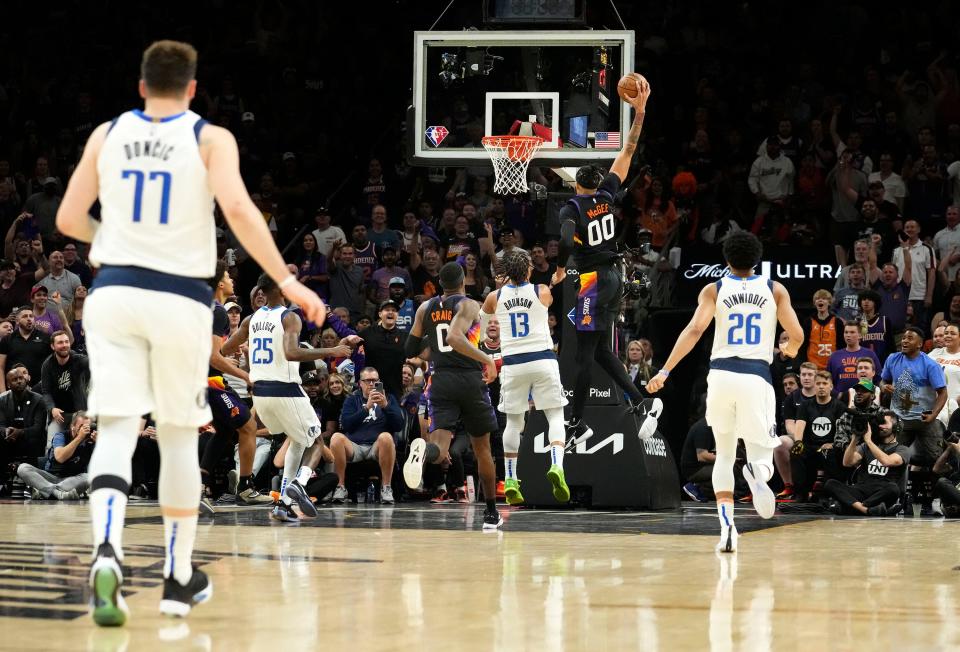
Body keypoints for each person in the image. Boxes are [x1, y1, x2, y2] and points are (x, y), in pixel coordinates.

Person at [55, 41, 326, 625]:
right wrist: (285, 278)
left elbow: (68, 218)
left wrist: (118, 240)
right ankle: (177, 578)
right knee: (180, 438)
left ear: (141, 86)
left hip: (115, 294)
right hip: (178, 298)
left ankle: (108, 551)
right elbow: (239, 207)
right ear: (194, 89)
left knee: (119, 431)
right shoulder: (209, 137)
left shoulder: (107, 134)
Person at [647, 231, 804, 553]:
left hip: (719, 377)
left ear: (727, 259)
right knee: (762, 454)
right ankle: (757, 473)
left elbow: (693, 330)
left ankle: (727, 529)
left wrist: (664, 371)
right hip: (756, 377)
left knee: (725, 453)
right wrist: (788, 351)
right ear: (757, 259)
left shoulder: (713, 289)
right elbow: (798, 335)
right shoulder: (774, 289)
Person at [556, 74, 662, 443]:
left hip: (591, 280)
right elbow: (628, 150)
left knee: (583, 355)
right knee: (601, 350)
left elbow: (566, 241)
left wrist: (558, 268)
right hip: (615, 277)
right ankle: (640, 401)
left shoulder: (572, 205)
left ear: (575, 184)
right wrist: (640, 113)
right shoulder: (606, 195)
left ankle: (576, 422)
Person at [222, 273, 349, 524]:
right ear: (281, 290)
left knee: (297, 439)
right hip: (285, 389)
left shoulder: (250, 319)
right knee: (315, 439)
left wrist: (247, 352)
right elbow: (291, 353)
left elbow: (225, 349)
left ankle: (284, 504)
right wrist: (332, 350)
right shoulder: (289, 316)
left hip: (259, 394)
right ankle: (300, 484)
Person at [401, 262, 503, 530]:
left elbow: (410, 347)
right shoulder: (469, 304)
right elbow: (456, 338)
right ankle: (491, 513)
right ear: (462, 282)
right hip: (470, 379)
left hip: (440, 380)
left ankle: (423, 454)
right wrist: (487, 361)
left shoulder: (426, 307)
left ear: (439, 283)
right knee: (483, 450)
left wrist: (432, 343)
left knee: (440, 450)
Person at [480, 248, 568, 505]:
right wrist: (553, 279)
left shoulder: (494, 297)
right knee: (555, 415)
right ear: (529, 269)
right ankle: (557, 466)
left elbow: (487, 335)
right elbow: (549, 298)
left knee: (513, 424)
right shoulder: (541, 290)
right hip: (542, 360)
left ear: (505, 272)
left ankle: (509, 479)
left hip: (513, 364)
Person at [329, 366, 402, 504]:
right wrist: (366, 408)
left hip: (377, 446)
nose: (371, 384)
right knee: (336, 438)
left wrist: (385, 406)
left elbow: (399, 425)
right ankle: (340, 487)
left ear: (379, 382)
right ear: (360, 383)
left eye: (375, 380)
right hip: (354, 446)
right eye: (367, 380)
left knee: (386, 437)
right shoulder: (352, 399)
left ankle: (386, 488)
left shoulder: (389, 398)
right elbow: (345, 424)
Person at [880, 327, 947, 468]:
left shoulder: (930, 365)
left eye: (910, 338)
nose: (904, 340)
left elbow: (943, 393)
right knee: (891, 455)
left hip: (925, 419)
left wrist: (934, 415)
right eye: (904, 337)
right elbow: (883, 381)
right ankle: (900, 485)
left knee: (935, 457)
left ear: (919, 344)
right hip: (900, 419)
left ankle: (929, 486)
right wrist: (883, 387)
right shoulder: (892, 359)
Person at [824, 411, 909, 515]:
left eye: (884, 423)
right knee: (831, 483)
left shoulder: (903, 449)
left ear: (896, 427)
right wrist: (854, 440)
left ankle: (853, 506)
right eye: (878, 423)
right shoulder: (865, 447)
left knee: (893, 488)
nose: (880, 426)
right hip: (861, 489)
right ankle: (866, 510)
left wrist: (869, 441)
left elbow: (887, 461)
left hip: (882, 492)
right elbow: (847, 462)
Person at [17, 411, 94, 500]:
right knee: (23, 468)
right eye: (81, 426)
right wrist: (79, 438)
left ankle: (43, 492)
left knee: (89, 477)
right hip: (50, 477)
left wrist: (100, 443)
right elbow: (60, 458)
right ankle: (58, 494)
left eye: (87, 427)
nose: (84, 430)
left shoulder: (90, 441)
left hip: (71, 480)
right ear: (72, 427)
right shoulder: (61, 436)